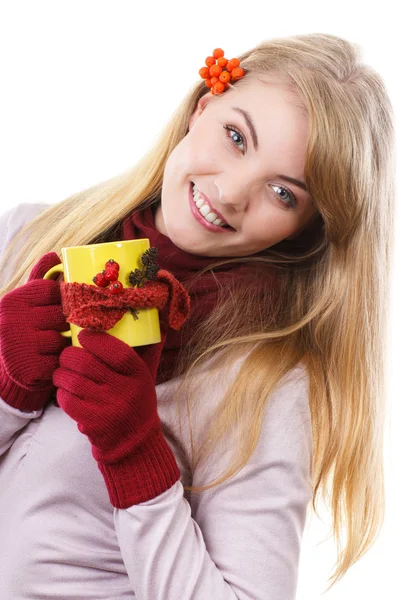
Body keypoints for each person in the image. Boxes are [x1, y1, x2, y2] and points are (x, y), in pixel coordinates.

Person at [0, 32, 395, 599]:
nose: (233, 193)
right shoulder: (26, 238)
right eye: (236, 137)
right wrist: (6, 386)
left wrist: (136, 454)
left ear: (304, 233)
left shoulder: (264, 381)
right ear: (201, 107)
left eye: (284, 193)